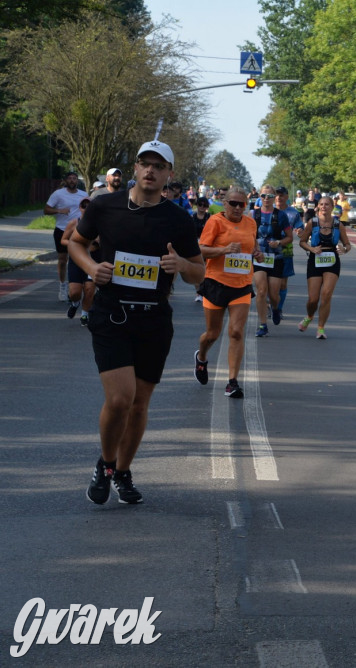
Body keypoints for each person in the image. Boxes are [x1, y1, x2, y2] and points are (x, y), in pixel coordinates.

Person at [68, 140, 204, 505]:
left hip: (154, 317)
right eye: (145, 164)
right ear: (136, 169)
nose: (151, 171)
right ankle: (106, 463)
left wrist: (183, 267)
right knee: (119, 398)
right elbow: (76, 244)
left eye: (159, 166)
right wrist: (92, 268)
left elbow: (198, 272)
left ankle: (123, 471)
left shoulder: (178, 219)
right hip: (112, 312)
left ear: (169, 174)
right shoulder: (104, 206)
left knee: (140, 404)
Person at [194, 185, 261, 399]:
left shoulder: (251, 222)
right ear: (225, 203)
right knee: (212, 334)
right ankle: (202, 356)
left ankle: (232, 382)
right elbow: (201, 249)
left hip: (241, 284)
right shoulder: (215, 222)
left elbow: (252, 246)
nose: (237, 208)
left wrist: (257, 253)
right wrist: (223, 250)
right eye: (233, 203)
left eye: (242, 204)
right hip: (215, 282)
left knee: (236, 332)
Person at [297, 195, 351, 339]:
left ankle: (321, 328)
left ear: (332, 207)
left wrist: (343, 249)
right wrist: (311, 249)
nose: (323, 207)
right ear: (318, 207)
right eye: (321, 204)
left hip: (332, 260)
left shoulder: (338, 224)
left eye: (327, 204)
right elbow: (302, 242)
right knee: (313, 299)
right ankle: (309, 316)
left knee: (326, 294)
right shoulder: (312, 223)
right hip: (315, 259)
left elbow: (347, 244)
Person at [252, 183, 293, 337]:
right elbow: (248, 235)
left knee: (274, 294)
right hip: (259, 257)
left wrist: (279, 243)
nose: (266, 199)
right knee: (261, 291)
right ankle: (263, 325)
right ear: (260, 197)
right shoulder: (253, 214)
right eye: (263, 196)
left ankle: (275, 308)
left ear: (274, 197)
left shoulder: (280, 215)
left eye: (269, 196)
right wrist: (253, 247)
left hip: (276, 258)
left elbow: (289, 237)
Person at [44, 170, 88, 302]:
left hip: (78, 230)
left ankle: (77, 285)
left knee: (79, 259)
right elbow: (46, 210)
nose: (72, 180)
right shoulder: (58, 194)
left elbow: (90, 209)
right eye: (70, 178)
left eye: (75, 178)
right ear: (65, 180)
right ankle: (63, 285)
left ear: (77, 181)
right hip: (62, 230)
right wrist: (59, 210)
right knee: (63, 260)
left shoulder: (83, 195)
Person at [61, 198, 97, 324]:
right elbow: (63, 240)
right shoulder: (74, 223)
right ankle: (75, 303)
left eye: (89, 206)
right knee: (75, 292)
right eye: (84, 206)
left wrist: (97, 243)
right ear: (80, 208)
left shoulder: (100, 224)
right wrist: (75, 244)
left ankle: (85, 315)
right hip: (76, 260)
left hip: (92, 262)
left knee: (89, 289)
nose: (86, 208)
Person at [274, 186, 302, 316]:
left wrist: (300, 231)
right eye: (277, 195)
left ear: (286, 197)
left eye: (282, 195)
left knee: (283, 282)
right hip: (269, 249)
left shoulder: (293, 213)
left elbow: (300, 230)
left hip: (286, 249)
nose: (279, 197)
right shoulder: (269, 211)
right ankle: (272, 303)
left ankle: (278, 308)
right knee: (270, 281)